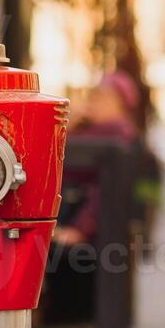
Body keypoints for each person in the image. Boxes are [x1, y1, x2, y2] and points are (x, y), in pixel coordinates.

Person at [52, 72, 141, 248]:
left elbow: (104, 187)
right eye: (93, 96)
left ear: (119, 103)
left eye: (100, 97)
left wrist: (81, 228)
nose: (92, 102)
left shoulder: (115, 131)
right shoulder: (99, 129)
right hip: (81, 221)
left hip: (86, 227)